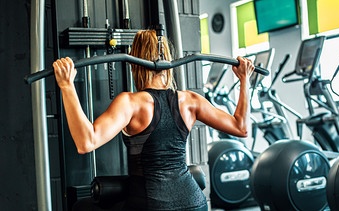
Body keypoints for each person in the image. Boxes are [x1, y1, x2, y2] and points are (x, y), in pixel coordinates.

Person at [53, 29, 255, 211]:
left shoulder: (131, 103)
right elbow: (241, 127)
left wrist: (67, 86)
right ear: (167, 60)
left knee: (82, 207)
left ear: (136, 62)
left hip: (151, 204)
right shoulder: (191, 100)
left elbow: (86, 142)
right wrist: (244, 80)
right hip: (195, 202)